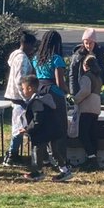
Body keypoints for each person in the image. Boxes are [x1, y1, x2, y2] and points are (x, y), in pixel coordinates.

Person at [32, 29, 73, 181]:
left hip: (40, 92)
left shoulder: (36, 58)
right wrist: (68, 92)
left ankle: (40, 166)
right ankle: (63, 164)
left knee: (42, 128)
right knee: (58, 129)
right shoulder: (56, 59)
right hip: (54, 94)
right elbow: (59, 82)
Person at [17, 73, 63, 182]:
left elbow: (37, 120)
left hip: (44, 131)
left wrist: (27, 129)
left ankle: (38, 172)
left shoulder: (37, 102)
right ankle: (64, 169)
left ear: (29, 88)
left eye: (23, 89)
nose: (23, 91)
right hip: (51, 129)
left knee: (38, 150)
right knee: (53, 151)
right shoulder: (42, 98)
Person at [2, 30, 38, 168]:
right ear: (27, 44)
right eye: (32, 46)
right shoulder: (22, 59)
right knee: (19, 128)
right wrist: (26, 97)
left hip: (13, 95)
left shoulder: (15, 56)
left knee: (18, 126)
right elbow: (20, 80)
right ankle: (11, 155)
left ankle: (13, 154)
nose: (32, 49)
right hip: (19, 98)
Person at [75, 54, 103, 171]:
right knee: (92, 134)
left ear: (85, 66)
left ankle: (91, 159)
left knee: (83, 134)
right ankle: (92, 157)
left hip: (87, 106)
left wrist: (75, 99)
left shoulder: (87, 77)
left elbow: (85, 91)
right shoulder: (98, 77)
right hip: (96, 106)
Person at [69, 28, 104, 98]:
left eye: (90, 43)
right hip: (82, 87)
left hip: (96, 87)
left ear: (95, 42)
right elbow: (73, 74)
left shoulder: (99, 54)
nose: (88, 46)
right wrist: (73, 93)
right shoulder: (78, 55)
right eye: (86, 43)